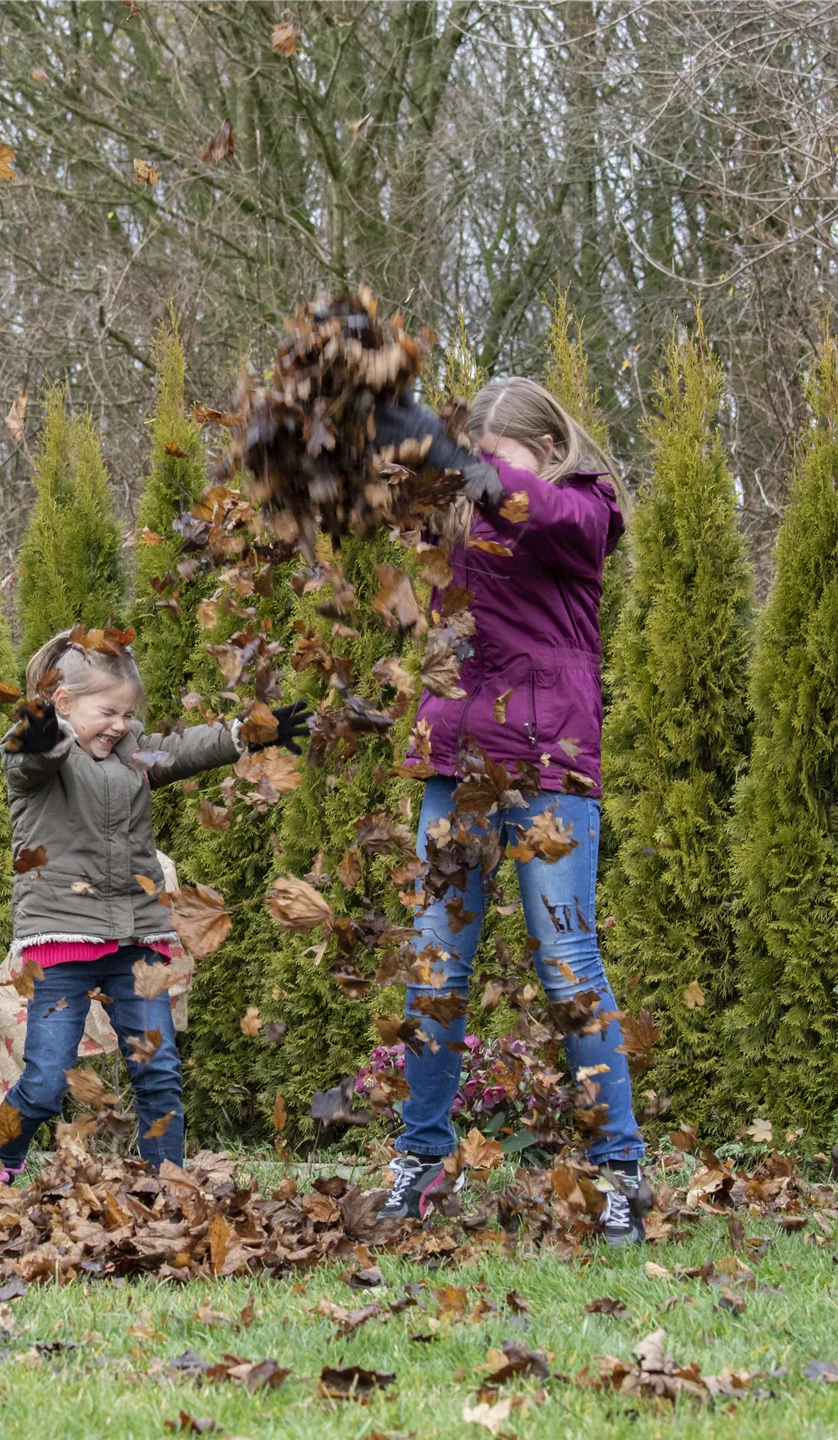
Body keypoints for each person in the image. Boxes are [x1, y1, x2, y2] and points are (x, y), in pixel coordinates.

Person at [370, 377, 649, 1245]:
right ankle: (421, 1158)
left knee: (568, 965)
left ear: (547, 450)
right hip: (456, 769)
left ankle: (619, 1175)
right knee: (433, 968)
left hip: (549, 772)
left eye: (501, 461)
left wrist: (483, 473)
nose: (483, 477)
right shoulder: (450, 518)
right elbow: (386, 509)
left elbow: (553, 518)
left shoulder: (582, 511)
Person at [0, 630, 309, 1187]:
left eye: (128, 714)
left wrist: (243, 734)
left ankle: (168, 1186)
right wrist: (40, 728)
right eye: (108, 712)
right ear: (63, 704)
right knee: (47, 1079)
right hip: (62, 942)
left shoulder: (133, 754)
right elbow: (29, 758)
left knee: (158, 1073)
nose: (121, 726)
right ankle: (0, 1152)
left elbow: (182, 748)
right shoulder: (38, 760)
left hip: (138, 938)